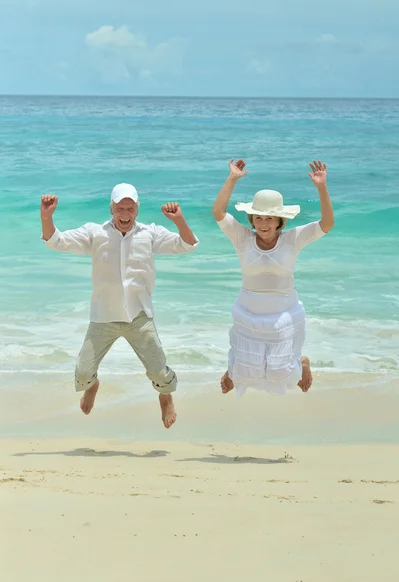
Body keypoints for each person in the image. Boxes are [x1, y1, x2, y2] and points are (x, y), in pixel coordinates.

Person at [40, 183, 199, 428]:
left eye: (130, 208)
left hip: (139, 316)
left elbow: (187, 245)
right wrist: (46, 217)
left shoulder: (149, 233)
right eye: (120, 208)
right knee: (83, 374)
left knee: (159, 373)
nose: (125, 214)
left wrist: (179, 220)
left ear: (137, 209)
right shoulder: (96, 233)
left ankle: (165, 397)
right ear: (111, 208)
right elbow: (55, 241)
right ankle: (93, 387)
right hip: (104, 316)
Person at [212, 159, 334, 398]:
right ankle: (233, 371)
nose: (263, 223)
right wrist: (233, 178)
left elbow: (327, 224)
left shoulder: (293, 239)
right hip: (248, 309)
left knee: (281, 372)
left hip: (283, 312)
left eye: (269, 218)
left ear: (279, 220)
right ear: (252, 220)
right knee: (246, 367)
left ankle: (303, 364)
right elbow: (218, 213)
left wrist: (321, 187)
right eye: (258, 217)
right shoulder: (242, 238)